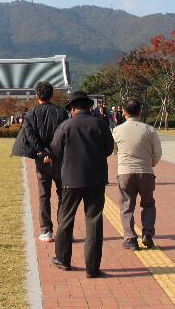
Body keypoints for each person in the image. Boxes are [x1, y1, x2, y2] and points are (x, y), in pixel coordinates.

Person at [49, 90, 115, 278]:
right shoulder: (100, 124)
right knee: (94, 220)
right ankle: (92, 267)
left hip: (70, 178)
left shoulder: (65, 126)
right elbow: (109, 148)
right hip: (96, 178)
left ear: (73, 108)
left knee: (66, 218)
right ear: (88, 107)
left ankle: (63, 259)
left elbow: (55, 149)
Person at [11, 81, 69, 243]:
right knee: (62, 194)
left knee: (44, 195)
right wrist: (53, 151)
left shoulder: (30, 114)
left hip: (40, 159)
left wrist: (41, 151)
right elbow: (62, 134)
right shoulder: (61, 113)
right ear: (51, 95)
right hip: (59, 158)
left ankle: (46, 230)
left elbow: (29, 135)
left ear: (37, 96)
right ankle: (63, 229)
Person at [112, 98, 162, 250]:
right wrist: (150, 163)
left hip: (125, 172)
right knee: (148, 204)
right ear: (140, 112)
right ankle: (147, 234)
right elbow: (158, 153)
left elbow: (113, 150)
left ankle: (130, 239)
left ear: (124, 112)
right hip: (145, 172)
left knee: (126, 206)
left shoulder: (116, 130)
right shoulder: (149, 130)